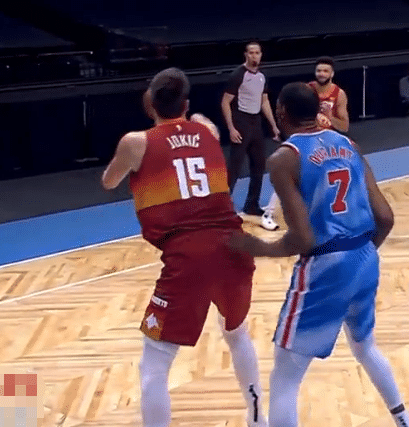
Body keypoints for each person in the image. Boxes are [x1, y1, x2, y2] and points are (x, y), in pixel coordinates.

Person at [229, 82, 409, 427]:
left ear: (281, 113)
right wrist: (359, 256)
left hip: (326, 265)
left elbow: (302, 239)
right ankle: (405, 421)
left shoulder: (284, 159)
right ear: (318, 111)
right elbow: (386, 218)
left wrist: (257, 247)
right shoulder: (349, 144)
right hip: (365, 256)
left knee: (285, 379)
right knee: (365, 347)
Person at [101, 67, 267, 427]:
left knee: (154, 362)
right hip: (235, 247)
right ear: (186, 104)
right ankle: (258, 420)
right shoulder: (207, 130)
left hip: (189, 256)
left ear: (149, 102)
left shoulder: (135, 142)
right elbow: (199, 128)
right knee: (237, 333)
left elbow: (108, 181)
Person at [260, 56, 352, 232]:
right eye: (319, 70)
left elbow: (344, 126)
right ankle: (269, 213)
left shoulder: (338, 94)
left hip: (326, 141)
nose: (321, 74)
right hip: (306, 138)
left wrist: (329, 117)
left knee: (326, 180)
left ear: (332, 74)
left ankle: (326, 214)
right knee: (289, 174)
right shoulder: (306, 90)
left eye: (325, 71)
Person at [221, 40, 280, 217]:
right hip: (241, 121)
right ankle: (222, 209)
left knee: (259, 165)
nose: (254, 56)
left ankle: (252, 205)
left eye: (257, 53)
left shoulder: (262, 75)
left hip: (256, 122)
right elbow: (225, 102)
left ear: (261, 55)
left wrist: (273, 126)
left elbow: (264, 101)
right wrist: (231, 128)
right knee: (235, 166)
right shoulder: (238, 74)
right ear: (246, 55)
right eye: (251, 53)